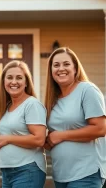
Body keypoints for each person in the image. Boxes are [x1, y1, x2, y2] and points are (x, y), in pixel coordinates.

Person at [44, 47, 106, 188]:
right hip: (61, 174)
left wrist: (61, 136)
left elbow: (101, 128)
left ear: (75, 68)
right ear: (51, 71)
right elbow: (52, 137)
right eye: (56, 65)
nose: (61, 68)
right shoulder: (52, 99)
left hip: (86, 173)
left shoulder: (87, 90)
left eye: (66, 64)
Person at [0, 60, 47, 188]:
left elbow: (39, 139)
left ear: (26, 82)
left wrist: (8, 139)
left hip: (27, 169)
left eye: (19, 78)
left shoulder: (31, 104)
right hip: (7, 171)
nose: (14, 82)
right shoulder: (7, 107)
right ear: (3, 81)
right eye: (9, 77)